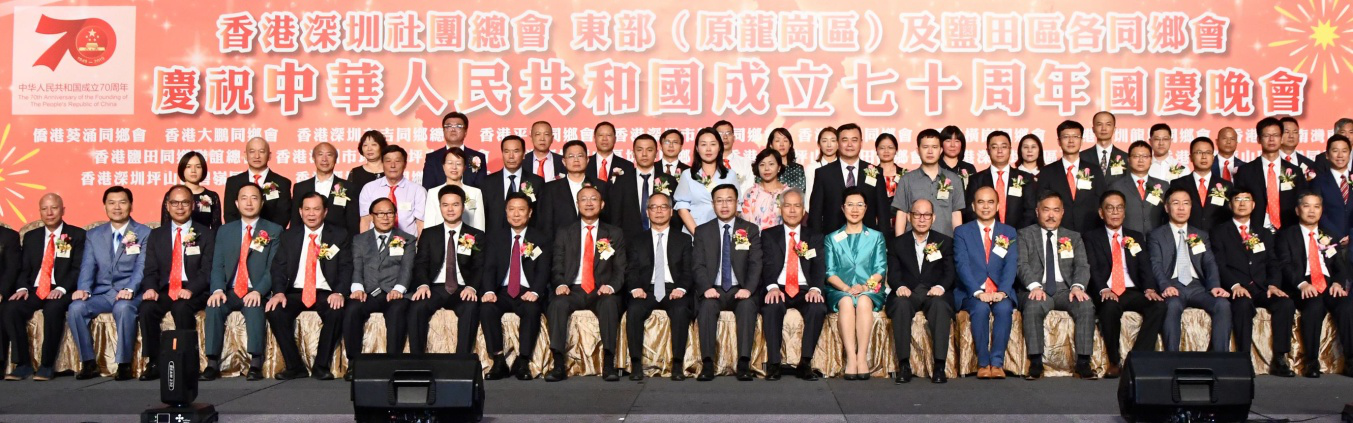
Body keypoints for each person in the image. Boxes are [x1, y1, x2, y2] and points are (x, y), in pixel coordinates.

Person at [265, 193, 352, 380]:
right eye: (307, 209)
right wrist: (278, 292)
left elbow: (346, 267)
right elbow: (278, 267)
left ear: (325, 212)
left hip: (325, 291)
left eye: (316, 209)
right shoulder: (289, 236)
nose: (311, 214)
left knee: (336, 311)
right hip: (296, 291)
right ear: (300, 211)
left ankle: (321, 366)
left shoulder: (339, 235)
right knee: (275, 311)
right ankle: (295, 366)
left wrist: (339, 292)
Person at [69, 186, 152, 380]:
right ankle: (88, 362)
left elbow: (142, 266)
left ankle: (124, 364)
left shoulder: (144, 232)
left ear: (131, 205)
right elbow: (88, 265)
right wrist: (83, 289)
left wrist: (130, 288)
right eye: (111, 203)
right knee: (76, 308)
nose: (117, 207)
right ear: (104, 206)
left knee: (123, 308)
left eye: (122, 202)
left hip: (130, 292)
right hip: (103, 293)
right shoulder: (93, 234)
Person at [545, 185, 626, 382]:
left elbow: (620, 268)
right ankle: (558, 364)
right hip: (572, 289)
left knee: (609, 303)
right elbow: (557, 265)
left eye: (594, 199)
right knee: (557, 303)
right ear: (577, 204)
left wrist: (611, 286)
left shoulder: (614, 233)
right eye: (584, 199)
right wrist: (560, 284)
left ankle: (609, 363)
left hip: (600, 290)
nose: (589, 203)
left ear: (602, 204)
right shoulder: (565, 232)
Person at [1213, 188, 1296, 377]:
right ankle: (1243, 359)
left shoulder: (1264, 233)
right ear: (1230, 204)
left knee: (1285, 304)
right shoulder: (1219, 232)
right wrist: (1234, 285)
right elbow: (1219, 264)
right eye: (1237, 199)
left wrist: (1273, 284)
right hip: (1237, 288)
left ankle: (1280, 359)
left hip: (1262, 287)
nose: (1242, 203)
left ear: (1254, 205)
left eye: (1246, 199)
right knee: (1242, 306)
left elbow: (1273, 262)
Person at [201, 183, 280, 381]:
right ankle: (211, 363)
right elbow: (217, 265)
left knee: (254, 307)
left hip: (255, 289)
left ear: (262, 202)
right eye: (244, 198)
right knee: (213, 306)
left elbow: (273, 269)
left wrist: (259, 291)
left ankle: (256, 362)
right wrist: (217, 289)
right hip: (229, 289)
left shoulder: (274, 230)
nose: (249, 203)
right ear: (237, 203)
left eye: (254, 198)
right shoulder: (225, 231)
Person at [136, 185, 215, 381]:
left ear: (193, 205)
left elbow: (207, 270)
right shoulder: (156, 235)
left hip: (194, 290)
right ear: (167, 206)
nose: (180, 207)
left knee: (181, 308)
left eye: (185, 202)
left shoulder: (206, 234)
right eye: (175, 203)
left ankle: (186, 363)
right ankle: (154, 362)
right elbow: (150, 269)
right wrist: (151, 288)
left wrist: (191, 289)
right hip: (166, 288)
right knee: (147, 308)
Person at [1016, 192, 1095, 380]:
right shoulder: (1025, 234)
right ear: (1037, 211)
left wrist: (1077, 286)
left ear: (1062, 213)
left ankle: (1083, 363)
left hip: (1065, 290)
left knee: (1085, 305)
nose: (1051, 215)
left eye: (1056, 210)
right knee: (1033, 305)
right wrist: (1034, 286)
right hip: (1037, 288)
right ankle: (1036, 362)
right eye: (1046, 210)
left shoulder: (1073, 237)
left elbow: (1082, 265)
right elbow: (1021, 265)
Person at [1087, 190, 1166, 379]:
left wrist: (1149, 288)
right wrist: (1103, 289)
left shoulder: (1135, 236)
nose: (1115, 212)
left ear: (1124, 212)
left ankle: (1136, 359)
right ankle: (1114, 362)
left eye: (1119, 208)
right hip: (1108, 290)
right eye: (1110, 208)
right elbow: (1092, 268)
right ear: (1101, 213)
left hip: (1132, 289)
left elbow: (1145, 266)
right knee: (1109, 308)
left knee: (1159, 306)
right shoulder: (1091, 237)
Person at [4, 194, 83, 381]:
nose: (49, 213)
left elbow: (77, 269)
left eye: (54, 208)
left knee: (53, 309)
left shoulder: (77, 235)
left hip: (61, 289)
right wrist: (22, 288)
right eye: (44, 209)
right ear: (39, 211)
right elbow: (24, 268)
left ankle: (46, 365)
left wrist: (62, 289)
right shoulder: (31, 236)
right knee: (10, 308)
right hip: (35, 289)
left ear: (62, 210)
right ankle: (23, 364)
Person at [1276, 192, 1353, 377]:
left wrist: (1337, 283)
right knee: (1314, 305)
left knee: (1347, 305)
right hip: (1302, 286)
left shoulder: (1329, 235)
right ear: (1297, 210)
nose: (1312, 211)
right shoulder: (1286, 235)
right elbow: (1285, 265)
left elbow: (1340, 267)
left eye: (1316, 206)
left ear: (1321, 210)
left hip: (1328, 284)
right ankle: (1311, 362)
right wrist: (1301, 283)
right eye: (1307, 206)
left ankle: (1351, 361)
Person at [693, 184, 761, 381]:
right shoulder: (702, 231)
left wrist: (748, 289)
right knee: (706, 307)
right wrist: (706, 288)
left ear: (737, 203)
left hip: (740, 289)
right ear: (713, 204)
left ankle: (744, 364)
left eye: (729, 200)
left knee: (747, 306)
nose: (724, 205)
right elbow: (697, 265)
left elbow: (756, 263)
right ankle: (707, 364)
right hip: (713, 289)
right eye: (719, 201)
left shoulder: (750, 229)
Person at [623, 192, 695, 381]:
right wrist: (635, 288)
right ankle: (636, 365)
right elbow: (631, 269)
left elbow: (688, 270)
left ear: (671, 212)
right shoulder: (637, 240)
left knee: (681, 310)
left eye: (663, 207)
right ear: (647, 212)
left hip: (673, 289)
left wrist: (681, 289)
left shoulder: (684, 239)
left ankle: (677, 365)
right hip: (646, 290)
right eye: (653, 207)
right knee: (634, 309)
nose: (659, 211)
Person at [342, 198, 415, 381]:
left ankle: (392, 363)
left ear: (395, 215)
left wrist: (399, 289)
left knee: (397, 311)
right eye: (380, 213)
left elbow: (407, 268)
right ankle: (354, 364)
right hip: (368, 292)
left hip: (393, 292)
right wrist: (357, 287)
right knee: (352, 310)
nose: (385, 217)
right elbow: (357, 266)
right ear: (372, 216)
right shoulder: (359, 240)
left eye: (389, 213)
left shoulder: (407, 239)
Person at [758, 189, 827, 381]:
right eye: (787, 205)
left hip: (804, 288)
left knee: (818, 307)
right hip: (779, 286)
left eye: (797, 206)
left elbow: (819, 265)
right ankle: (774, 364)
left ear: (803, 210)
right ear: (780, 209)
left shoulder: (814, 236)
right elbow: (766, 265)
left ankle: (805, 363)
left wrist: (815, 288)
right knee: (772, 306)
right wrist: (772, 286)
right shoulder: (769, 235)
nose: (792, 210)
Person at [1150, 188, 1231, 352]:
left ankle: (1221, 358)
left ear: (1191, 207)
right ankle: (1171, 358)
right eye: (1176, 203)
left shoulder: (1200, 234)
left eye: (1186, 203)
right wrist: (1165, 286)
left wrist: (1214, 286)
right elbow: (1155, 264)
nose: (1181, 208)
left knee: (1222, 304)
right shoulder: (1156, 235)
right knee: (1172, 305)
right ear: (1167, 208)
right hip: (1173, 285)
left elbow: (1209, 262)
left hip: (1197, 287)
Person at [408, 185, 486, 356]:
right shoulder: (429, 234)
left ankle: (462, 361)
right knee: (417, 307)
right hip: (435, 288)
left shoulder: (476, 235)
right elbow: (420, 263)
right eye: (445, 205)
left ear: (463, 207)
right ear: (440, 207)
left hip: (462, 289)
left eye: (455, 204)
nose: (450, 209)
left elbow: (479, 266)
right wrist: (423, 284)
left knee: (470, 307)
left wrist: (472, 287)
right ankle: (416, 360)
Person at [481, 193, 550, 381]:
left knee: (532, 309)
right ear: (506, 212)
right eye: (511, 209)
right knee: (487, 308)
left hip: (526, 291)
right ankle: (498, 360)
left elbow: (543, 270)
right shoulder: (496, 237)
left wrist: (535, 291)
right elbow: (489, 267)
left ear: (530, 213)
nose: (516, 214)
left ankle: (523, 361)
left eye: (521, 210)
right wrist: (489, 291)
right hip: (502, 292)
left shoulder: (539, 238)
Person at [885, 198, 955, 384]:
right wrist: (900, 286)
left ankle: (939, 366)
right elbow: (893, 273)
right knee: (900, 305)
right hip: (908, 292)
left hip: (934, 292)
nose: (922, 219)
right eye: (917, 214)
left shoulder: (945, 242)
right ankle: (904, 365)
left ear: (933, 218)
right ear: (909, 217)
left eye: (926, 215)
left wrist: (940, 287)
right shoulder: (897, 243)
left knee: (940, 306)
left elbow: (950, 273)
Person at [825, 187, 888, 381]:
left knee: (863, 301)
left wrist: (864, 287)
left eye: (859, 205)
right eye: (850, 205)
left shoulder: (876, 237)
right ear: (843, 208)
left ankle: (862, 358)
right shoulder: (832, 238)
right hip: (839, 289)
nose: (855, 209)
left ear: (866, 208)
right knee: (846, 301)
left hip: (869, 289)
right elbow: (830, 272)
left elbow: (880, 269)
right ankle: (851, 359)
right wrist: (846, 288)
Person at [955, 187, 1018, 379]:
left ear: (998, 206)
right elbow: (962, 265)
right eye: (980, 202)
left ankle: (997, 364)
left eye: (990, 202)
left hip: (1000, 290)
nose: (985, 206)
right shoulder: (962, 232)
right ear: (973, 206)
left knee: (1004, 309)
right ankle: (983, 363)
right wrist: (977, 291)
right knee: (981, 309)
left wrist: (1003, 291)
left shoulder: (1008, 232)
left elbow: (1011, 265)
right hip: (972, 292)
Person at [1236, 117, 1309, 231]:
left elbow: (1302, 201)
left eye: (1275, 135)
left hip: (1289, 230)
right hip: (1256, 231)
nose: (1271, 139)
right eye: (1266, 135)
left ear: (1281, 138)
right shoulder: (1246, 171)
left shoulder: (1295, 171)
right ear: (1259, 139)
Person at [809, 123, 883, 232]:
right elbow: (815, 213)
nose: (849, 144)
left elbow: (883, 212)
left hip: (868, 238)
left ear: (861, 143)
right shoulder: (823, 173)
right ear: (838, 143)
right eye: (845, 140)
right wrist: (817, 241)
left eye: (854, 140)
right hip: (832, 238)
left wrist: (884, 240)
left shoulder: (874, 172)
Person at [893, 128, 964, 237]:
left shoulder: (954, 179)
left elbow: (956, 215)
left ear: (941, 150)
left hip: (945, 242)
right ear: (918, 150)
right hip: (913, 243)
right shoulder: (906, 179)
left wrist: (958, 242)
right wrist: (900, 243)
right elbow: (901, 214)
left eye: (934, 147)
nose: (930, 151)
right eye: (925, 147)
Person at [606, 134, 678, 236]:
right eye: (639, 150)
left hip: (662, 238)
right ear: (633, 153)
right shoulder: (621, 181)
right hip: (629, 241)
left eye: (649, 150)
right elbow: (616, 216)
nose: (644, 154)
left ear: (656, 153)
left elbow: (674, 215)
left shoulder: (669, 180)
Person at [1039, 120, 1103, 232]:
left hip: (1090, 232)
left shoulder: (1095, 171)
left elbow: (1102, 201)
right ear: (1059, 141)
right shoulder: (1047, 172)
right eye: (1066, 137)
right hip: (1058, 232)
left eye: (1075, 136)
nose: (1071, 141)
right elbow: (1041, 203)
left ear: (1081, 140)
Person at [673, 128, 738, 234]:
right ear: (697, 148)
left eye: (713, 144)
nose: (708, 149)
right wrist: (698, 234)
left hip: (723, 233)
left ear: (719, 147)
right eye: (703, 144)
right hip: (694, 232)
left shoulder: (730, 175)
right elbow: (682, 207)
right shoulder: (688, 175)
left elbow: (737, 206)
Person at [967, 131, 1035, 228]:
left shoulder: (1025, 178)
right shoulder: (976, 179)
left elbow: (1030, 211)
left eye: (1004, 147)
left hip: (1019, 234)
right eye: (994, 147)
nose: (999, 151)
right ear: (988, 151)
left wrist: (1017, 233)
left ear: (1010, 150)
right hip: (986, 234)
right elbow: (970, 211)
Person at [538, 140, 608, 231]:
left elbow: (607, 219)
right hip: (560, 239)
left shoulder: (601, 186)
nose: (576, 160)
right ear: (564, 161)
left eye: (580, 156)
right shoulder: (550, 189)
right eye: (571, 156)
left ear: (587, 160)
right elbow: (546, 223)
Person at [292, 142, 360, 234]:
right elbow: (295, 221)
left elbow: (352, 223)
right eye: (320, 154)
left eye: (329, 155)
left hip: (338, 240)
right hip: (308, 239)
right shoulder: (300, 188)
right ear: (313, 158)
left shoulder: (348, 187)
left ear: (335, 159)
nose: (324, 159)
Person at [224, 137, 293, 228]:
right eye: (252, 151)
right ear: (245, 155)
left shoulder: (282, 183)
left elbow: (283, 215)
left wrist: (263, 234)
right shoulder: (233, 182)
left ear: (269, 155)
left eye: (261, 151)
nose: (257, 156)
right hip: (239, 234)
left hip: (271, 235)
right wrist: (244, 232)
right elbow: (230, 214)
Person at [481, 135, 545, 232]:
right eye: (506, 151)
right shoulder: (487, 182)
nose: (511, 156)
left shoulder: (536, 182)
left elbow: (540, 216)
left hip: (527, 238)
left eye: (516, 151)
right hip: (494, 237)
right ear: (502, 153)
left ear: (524, 154)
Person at [359, 145, 427, 235]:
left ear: (405, 164)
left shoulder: (418, 191)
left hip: (408, 242)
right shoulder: (369, 188)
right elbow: (365, 221)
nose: (392, 165)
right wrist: (364, 243)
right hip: (376, 243)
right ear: (382, 164)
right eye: (388, 161)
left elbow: (421, 224)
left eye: (397, 161)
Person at [1170, 137, 1233, 232]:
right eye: (1199, 152)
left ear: (1213, 157)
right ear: (1191, 157)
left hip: (1218, 237)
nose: (1204, 156)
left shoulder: (1226, 185)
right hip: (1188, 236)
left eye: (1208, 152)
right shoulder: (1178, 184)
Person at [1110, 141, 1169, 235]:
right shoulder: (1116, 187)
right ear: (1128, 159)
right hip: (1127, 239)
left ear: (1151, 159)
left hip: (1157, 238)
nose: (1141, 160)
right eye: (1136, 156)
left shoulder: (1163, 186)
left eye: (1145, 156)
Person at [422, 148, 485, 231]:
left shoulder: (475, 193)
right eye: (450, 163)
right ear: (443, 166)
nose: (454, 167)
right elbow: (429, 225)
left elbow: (479, 225)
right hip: (439, 237)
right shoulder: (433, 193)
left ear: (464, 168)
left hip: (468, 238)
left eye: (458, 164)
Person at [425, 111, 486, 189]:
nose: (453, 129)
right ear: (443, 131)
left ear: (465, 132)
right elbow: (428, 188)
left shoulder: (477, 157)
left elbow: (481, 188)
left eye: (458, 126)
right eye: (448, 126)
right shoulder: (432, 158)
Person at [1309, 135, 1353, 244]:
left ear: (1350, 154)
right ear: (1327, 155)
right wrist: (1339, 236)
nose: (1340, 155)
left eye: (1344, 151)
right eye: (1335, 151)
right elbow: (1319, 213)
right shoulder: (1318, 182)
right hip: (1330, 242)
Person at [161, 152, 222, 229]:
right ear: (182, 169)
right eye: (188, 166)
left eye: (198, 167)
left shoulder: (211, 196)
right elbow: (165, 226)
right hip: (178, 236)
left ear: (203, 169)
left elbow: (216, 228)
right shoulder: (172, 195)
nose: (193, 170)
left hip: (205, 236)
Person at [740, 149, 787, 230]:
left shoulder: (788, 193)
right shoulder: (750, 194)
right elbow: (745, 224)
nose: (766, 168)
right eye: (762, 165)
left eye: (771, 164)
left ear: (779, 167)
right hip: (755, 237)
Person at [1082, 111, 1130, 187]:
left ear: (1114, 129)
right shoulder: (1082, 157)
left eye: (1108, 124)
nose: (1103, 128)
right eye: (1099, 124)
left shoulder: (1125, 158)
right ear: (1093, 129)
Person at [587, 121, 635, 187]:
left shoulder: (627, 166)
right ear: (594, 138)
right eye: (600, 135)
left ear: (615, 139)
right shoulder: (585, 163)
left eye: (609, 135)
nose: (604, 139)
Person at [804, 127, 839, 207]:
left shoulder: (844, 167)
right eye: (824, 141)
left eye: (833, 140)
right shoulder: (812, 168)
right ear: (819, 144)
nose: (829, 145)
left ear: (838, 143)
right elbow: (809, 197)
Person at [714, 120, 754, 190]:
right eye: (720, 134)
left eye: (728, 133)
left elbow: (749, 187)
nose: (725, 137)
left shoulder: (745, 163)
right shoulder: (709, 164)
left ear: (734, 138)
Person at [348, 130, 388, 197]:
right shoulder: (355, 172)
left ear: (382, 147)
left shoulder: (390, 171)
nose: (369, 149)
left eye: (374, 144)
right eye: (365, 145)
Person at [767, 128, 806, 192]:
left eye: (785, 141)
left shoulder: (798, 169)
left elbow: (801, 192)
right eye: (777, 141)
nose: (782, 144)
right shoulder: (765, 168)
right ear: (771, 145)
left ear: (790, 144)